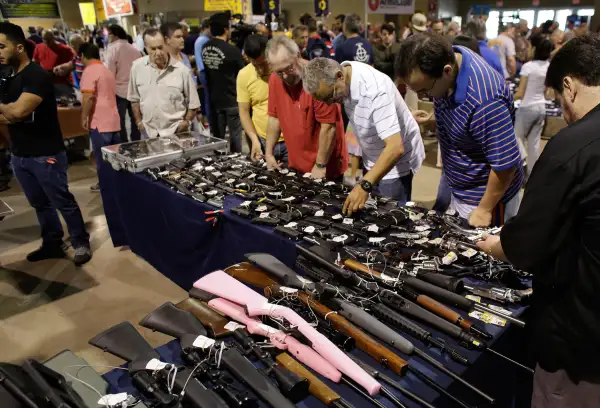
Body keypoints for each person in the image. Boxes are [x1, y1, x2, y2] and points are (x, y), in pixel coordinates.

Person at [476, 35, 600, 408]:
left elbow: (527, 247)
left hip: (581, 342)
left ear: (569, 85)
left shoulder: (570, 148)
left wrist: (498, 245)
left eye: (560, 103)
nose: (563, 112)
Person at [396, 34, 523, 227]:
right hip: (459, 185)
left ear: (446, 72)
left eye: (424, 91)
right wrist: (434, 122)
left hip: (484, 197)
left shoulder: (486, 102)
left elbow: (505, 165)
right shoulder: (453, 58)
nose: (424, 96)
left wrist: (484, 209)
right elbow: (466, 121)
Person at [0, 22, 91, 265]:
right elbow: (9, 114)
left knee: (62, 200)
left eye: (1, 46)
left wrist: (8, 111)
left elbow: (18, 112)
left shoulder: (36, 75)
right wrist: (8, 111)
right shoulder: (8, 77)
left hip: (45, 153)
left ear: (19, 47)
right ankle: (52, 242)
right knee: (40, 204)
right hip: (20, 155)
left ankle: (81, 242)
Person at [304, 58, 425, 211]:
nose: (329, 104)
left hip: (395, 164)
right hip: (373, 156)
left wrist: (364, 185)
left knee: (390, 217)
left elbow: (395, 148)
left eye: (330, 96)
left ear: (339, 76)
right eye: (324, 100)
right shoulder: (345, 72)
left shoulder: (374, 90)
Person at [265, 36, 348, 180]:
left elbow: (328, 127)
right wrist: (269, 153)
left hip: (325, 166)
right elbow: (274, 117)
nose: (284, 76)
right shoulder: (275, 79)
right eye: (279, 72)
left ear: (298, 56)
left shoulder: (319, 79)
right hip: (296, 164)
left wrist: (320, 165)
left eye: (288, 68)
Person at [128, 28, 200, 138]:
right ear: (145, 48)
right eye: (153, 49)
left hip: (177, 133)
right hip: (149, 133)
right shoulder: (137, 68)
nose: (158, 52)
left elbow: (194, 103)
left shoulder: (181, 70)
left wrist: (186, 122)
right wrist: (139, 122)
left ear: (165, 44)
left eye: (160, 47)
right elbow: (134, 99)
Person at [237, 35, 287, 164]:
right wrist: (254, 139)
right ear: (247, 58)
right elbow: (243, 111)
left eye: (264, 63)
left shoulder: (283, 71)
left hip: (290, 140)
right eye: (256, 65)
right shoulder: (244, 75)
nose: (261, 69)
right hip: (262, 140)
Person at [79, 42, 120, 192]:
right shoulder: (106, 70)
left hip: (99, 122)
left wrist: (84, 117)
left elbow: (88, 97)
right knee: (114, 158)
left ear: (82, 56)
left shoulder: (90, 71)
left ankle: (105, 185)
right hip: (114, 121)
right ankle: (117, 185)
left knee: (102, 160)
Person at [202, 13, 244, 152]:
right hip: (232, 98)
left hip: (215, 99)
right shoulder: (232, 50)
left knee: (218, 138)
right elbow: (242, 73)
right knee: (235, 136)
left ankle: (217, 164)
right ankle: (237, 163)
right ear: (226, 29)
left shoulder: (205, 48)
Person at [513, 38, 554, 178]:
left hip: (527, 107)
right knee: (534, 145)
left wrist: (508, 99)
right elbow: (547, 92)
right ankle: (532, 177)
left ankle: (523, 163)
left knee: (515, 138)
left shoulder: (528, 66)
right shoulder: (548, 67)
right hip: (541, 107)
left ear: (535, 49)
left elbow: (520, 93)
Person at [104, 24, 142, 142]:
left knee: (120, 122)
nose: (107, 37)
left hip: (118, 90)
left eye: (109, 34)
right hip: (135, 90)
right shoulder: (134, 49)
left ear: (115, 35)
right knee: (136, 119)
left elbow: (110, 72)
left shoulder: (113, 48)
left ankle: (124, 144)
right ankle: (136, 143)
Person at [195, 19, 211, 127]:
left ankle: (208, 119)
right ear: (206, 27)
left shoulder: (200, 39)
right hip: (204, 71)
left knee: (207, 97)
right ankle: (210, 120)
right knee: (208, 98)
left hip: (201, 71)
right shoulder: (204, 40)